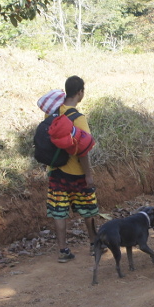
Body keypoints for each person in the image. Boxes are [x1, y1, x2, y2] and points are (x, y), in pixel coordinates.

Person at [47, 76, 99, 262]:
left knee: (59, 212)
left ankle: (63, 251)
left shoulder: (52, 113)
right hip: (76, 174)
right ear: (80, 93)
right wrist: (88, 175)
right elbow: (83, 150)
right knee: (88, 210)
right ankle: (94, 245)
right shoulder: (79, 118)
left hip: (55, 171)